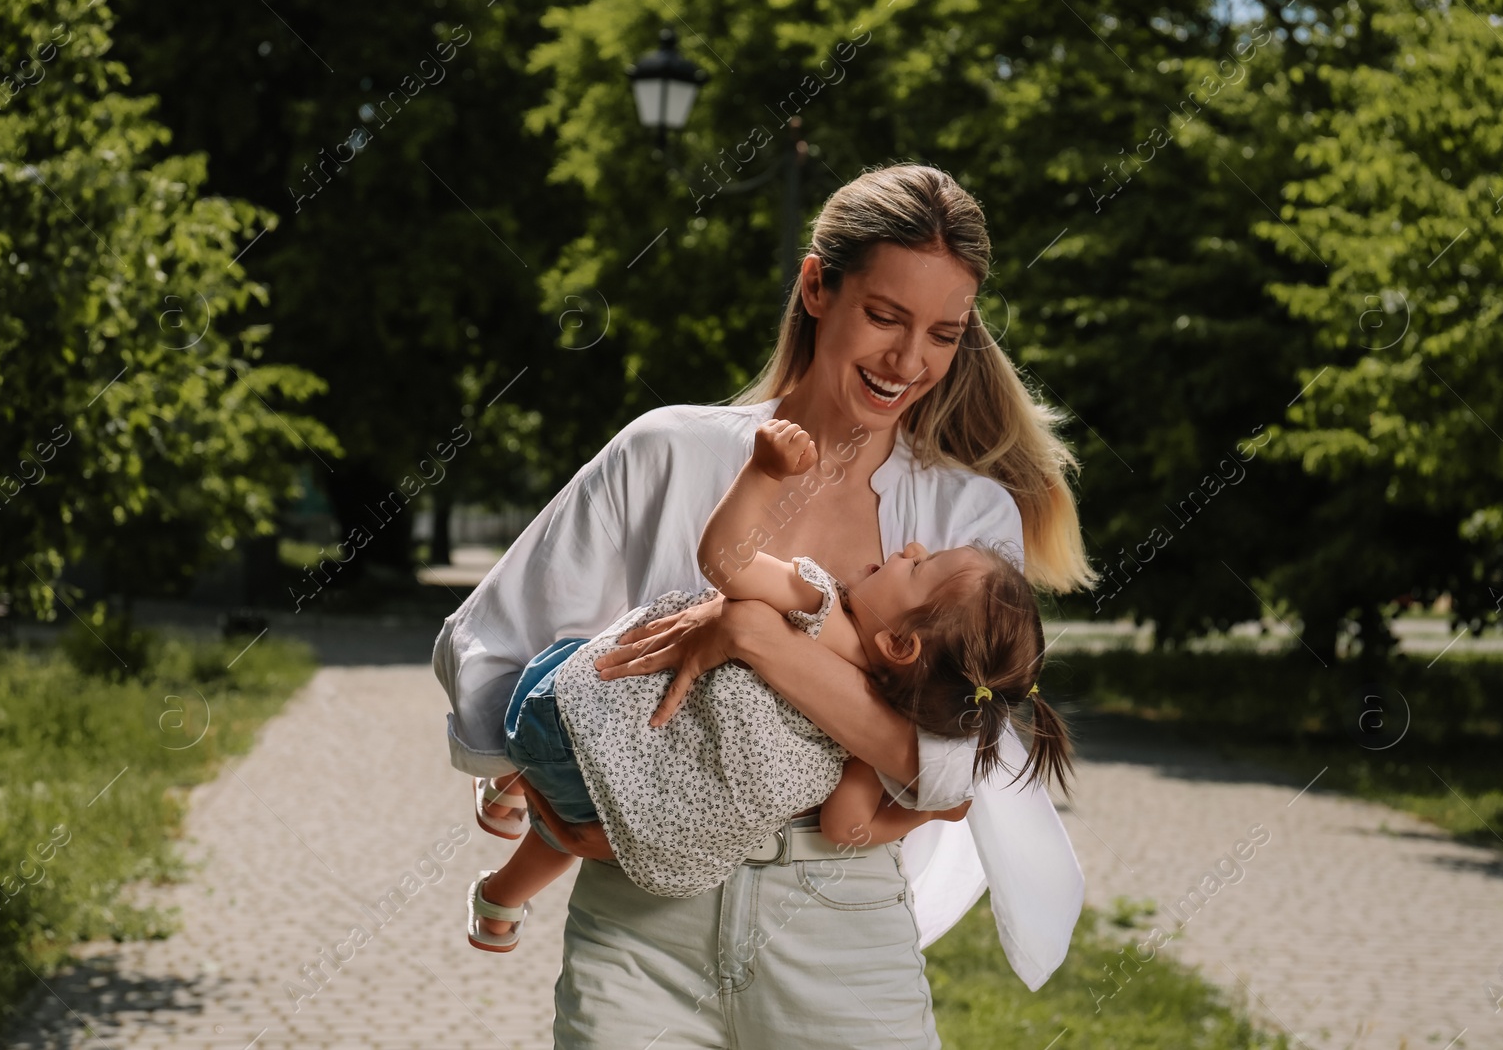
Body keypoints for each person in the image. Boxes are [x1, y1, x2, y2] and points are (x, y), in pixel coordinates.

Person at [432, 162, 1099, 1048]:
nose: (909, 361)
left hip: (839, 924)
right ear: (818, 285)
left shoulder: (965, 521)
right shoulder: (668, 451)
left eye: (942, 333)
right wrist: (525, 777)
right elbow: (494, 636)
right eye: (885, 317)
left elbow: (945, 763)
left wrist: (751, 634)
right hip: (641, 923)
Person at [465, 417, 1067, 952]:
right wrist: (924, 816)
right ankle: (499, 891)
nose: (909, 546)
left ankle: (510, 785)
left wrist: (762, 473)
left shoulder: (825, 608)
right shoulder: (869, 739)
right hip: (613, 789)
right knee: (573, 824)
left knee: (590, 663)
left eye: (918, 566)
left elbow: (725, 560)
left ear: (899, 644)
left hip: (566, 708)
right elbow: (846, 827)